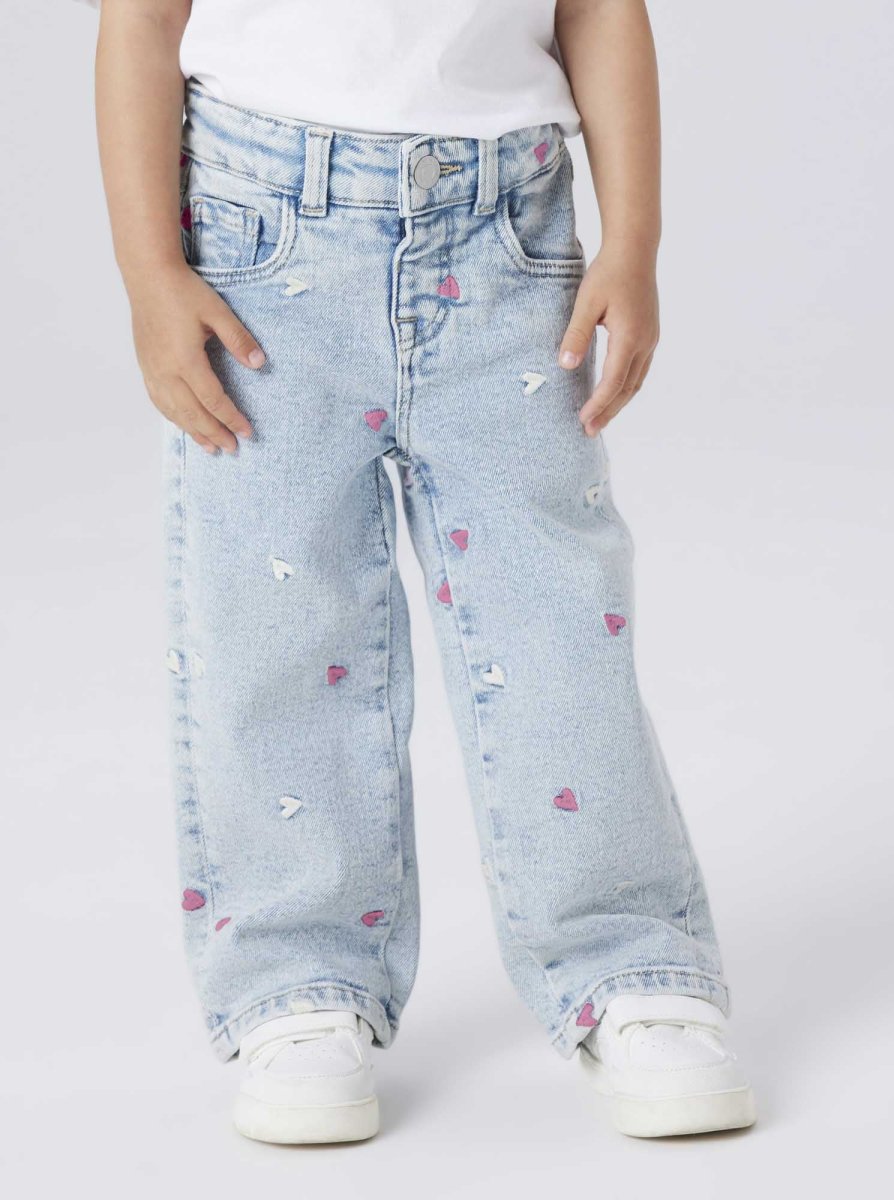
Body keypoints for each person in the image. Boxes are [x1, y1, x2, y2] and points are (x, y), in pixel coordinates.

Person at [79, 0, 756, 1142]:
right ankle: (299, 979)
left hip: (508, 241)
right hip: (260, 250)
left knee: (557, 623)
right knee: (276, 633)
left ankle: (628, 959)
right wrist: (149, 273)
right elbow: (142, 22)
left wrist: (632, 239)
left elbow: (598, 8)